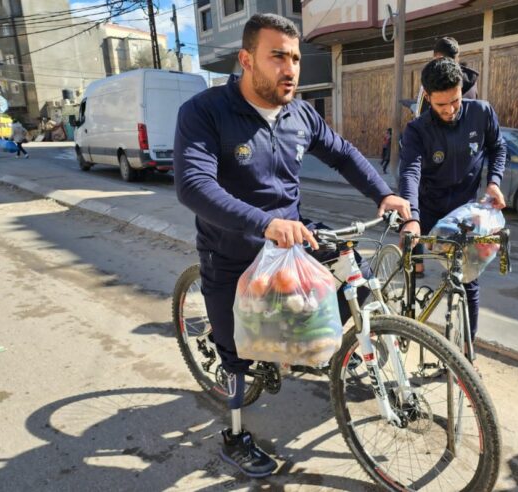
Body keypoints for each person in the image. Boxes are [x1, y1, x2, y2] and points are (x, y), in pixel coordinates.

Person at [174, 13, 410, 479]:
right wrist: (264, 223)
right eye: (277, 56)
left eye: (296, 58)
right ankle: (236, 434)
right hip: (231, 250)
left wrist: (384, 193)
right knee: (236, 351)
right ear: (246, 59)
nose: (291, 69)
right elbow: (193, 185)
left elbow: (343, 153)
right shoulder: (204, 112)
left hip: (293, 236)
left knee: (354, 279)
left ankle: (331, 348)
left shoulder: (300, 114)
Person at [399, 57, 506, 357]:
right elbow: (409, 172)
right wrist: (412, 218)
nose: (449, 110)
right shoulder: (417, 131)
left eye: (455, 101)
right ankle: (408, 318)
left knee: (468, 281)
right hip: (428, 209)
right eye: (441, 104)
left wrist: (494, 182)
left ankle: (466, 355)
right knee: (411, 257)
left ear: (462, 90)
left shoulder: (481, 113)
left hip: (465, 213)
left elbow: (498, 147)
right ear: (428, 96)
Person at [416, 36, 479, 116]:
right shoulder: (471, 81)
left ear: (437, 57)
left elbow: (421, 114)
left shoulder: (431, 80)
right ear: (457, 58)